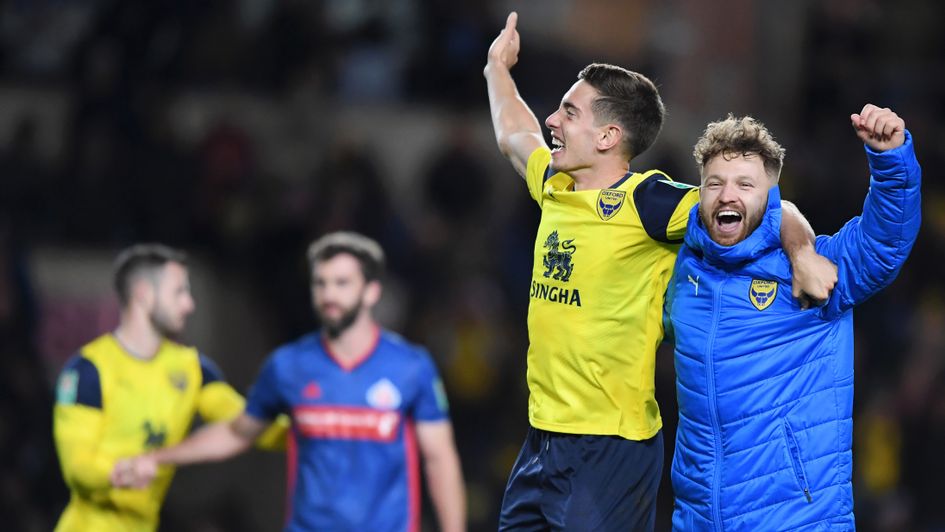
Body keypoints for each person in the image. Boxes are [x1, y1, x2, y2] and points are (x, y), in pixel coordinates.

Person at [483, 11, 838, 531]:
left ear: (608, 136)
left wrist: (803, 254)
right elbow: (516, 134)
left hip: (609, 446)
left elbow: (768, 204)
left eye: (568, 112)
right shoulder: (555, 187)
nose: (552, 123)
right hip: (542, 437)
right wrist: (497, 69)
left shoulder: (645, 201)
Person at [666, 105, 920, 529]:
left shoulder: (809, 268)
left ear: (770, 198)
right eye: (715, 183)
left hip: (798, 518)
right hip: (698, 518)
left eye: (746, 184)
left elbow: (881, 245)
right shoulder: (684, 268)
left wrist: (891, 161)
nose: (728, 194)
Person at [119, 232, 467, 532]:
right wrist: (159, 457)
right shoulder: (288, 366)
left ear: (371, 291)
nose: (329, 294)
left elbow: (439, 459)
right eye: (321, 283)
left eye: (342, 283)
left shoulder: (410, 366)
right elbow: (236, 433)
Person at [52, 244, 286, 532]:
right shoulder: (88, 371)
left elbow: (244, 422)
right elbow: (77, 468)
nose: (189, 304)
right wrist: (121, 472)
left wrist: (312, 427)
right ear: (143, 294)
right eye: (179, 292)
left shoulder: (192, 369)